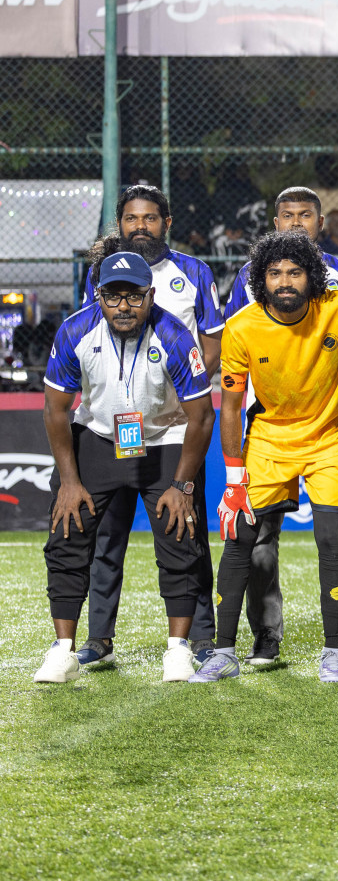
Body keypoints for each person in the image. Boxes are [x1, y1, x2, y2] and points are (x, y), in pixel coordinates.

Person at [191, 231, 338, 684]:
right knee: (241, 539)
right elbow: (228, 405)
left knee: (332, 540)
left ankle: (333, 651)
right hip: (267, 441)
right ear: (261, 280)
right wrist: (233, 475)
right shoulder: (241, 327)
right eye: (275, 273)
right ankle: (224, 652)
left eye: (295, 272)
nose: (285, 281)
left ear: (312, 277)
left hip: (327, 440)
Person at [34, 247, 215, 684]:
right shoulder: (75, 331)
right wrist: (70, 482)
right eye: (113, 296)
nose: (123, 306)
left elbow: (202, 415)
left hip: (162, 437)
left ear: (150, 295)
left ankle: (178, 650)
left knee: (180, 536)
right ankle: (63, 651)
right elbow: (56, 411)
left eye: (133, 296)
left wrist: (182, 485)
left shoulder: (173, 336)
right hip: (96, 436)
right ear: (98, 296)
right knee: (67, 534)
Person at [75, 185, 224, 669]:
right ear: (120, 223)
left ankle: (200, 637)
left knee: (186, 532)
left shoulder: (194, 273)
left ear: (167, 221)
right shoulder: (100, 274)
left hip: (173, 430)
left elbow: (211, 346)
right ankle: (99, 638)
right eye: (131, 218)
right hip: (113, 427)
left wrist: (184, 394)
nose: (140, 226)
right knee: (105, 535)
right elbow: (89, 334)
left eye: (150, 218)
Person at [225, 186, 338, 667]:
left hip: (332, 420)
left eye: (304, 215)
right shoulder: (249, 280)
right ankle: (266, 634)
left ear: (320, 221)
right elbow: (241, 341)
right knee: (259, 536)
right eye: (285, 215)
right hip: (268, 423)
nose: (294, 223)